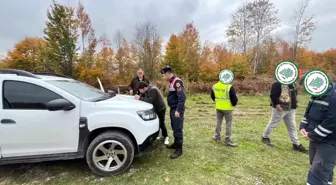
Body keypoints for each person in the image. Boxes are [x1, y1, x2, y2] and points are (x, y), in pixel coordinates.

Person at [299, 80, 336, 185]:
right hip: (315, 138)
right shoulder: (317, 92)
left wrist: (312, 134)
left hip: (330, 141)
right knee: (319, 167)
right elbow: (308, 111)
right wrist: (303, 126)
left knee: (319, 170)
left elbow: (332, 121)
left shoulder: (334, 96)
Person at [261, 80, 308, 153]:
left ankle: (296, 144)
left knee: (292, 127)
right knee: (273, 124)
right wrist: (277, 105)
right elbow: (273, 95)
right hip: (280, 108)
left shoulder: (293, 84)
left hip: (291, 109)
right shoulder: (277, 83)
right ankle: (265, 137)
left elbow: (294, 95)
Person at [161, 65, 186, 159]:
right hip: (173, 108)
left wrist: (178, 110)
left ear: (168, 74)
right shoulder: (171, 81)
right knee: (174, 127)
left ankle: (179, 150)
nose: (163, 77)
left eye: (164, 75)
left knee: (178, 128)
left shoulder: (177, 82)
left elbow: (182, 97)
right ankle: (176, 144)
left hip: (176, 109)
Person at [211, 79, 239, 147]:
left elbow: (212, 96)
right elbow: (234, 99)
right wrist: (234, 104)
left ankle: (217, 136)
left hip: (218, 107)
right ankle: (227, 140)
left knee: (218, 122)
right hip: (227, 108)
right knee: (228, 124)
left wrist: (218, 102)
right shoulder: (229, 87)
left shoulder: (214, 86)